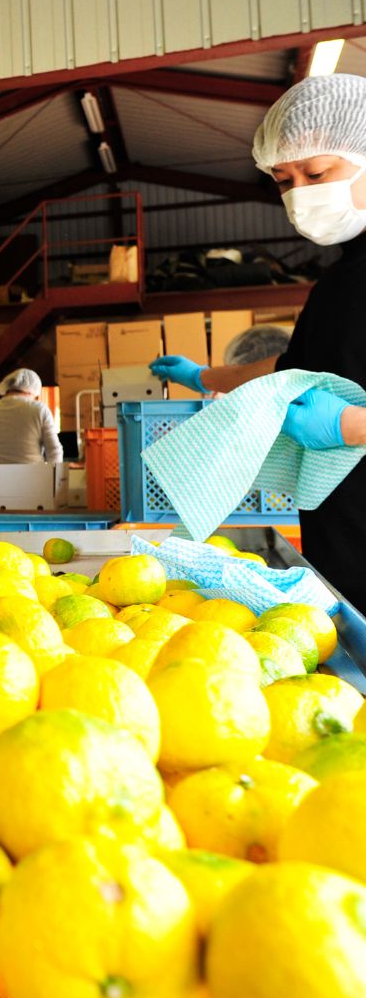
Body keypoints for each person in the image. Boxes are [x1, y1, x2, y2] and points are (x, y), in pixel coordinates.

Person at [149, 73, 366, 609]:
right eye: (283, 180)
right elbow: (296, 367)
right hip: (344, 557)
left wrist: (350, 425)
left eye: (316, 172)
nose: (300, 195)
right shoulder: (344, 276)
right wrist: (205, 377)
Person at [0, 368, 63, 466]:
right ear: (32, 391)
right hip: (33, 477)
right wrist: (54, 478)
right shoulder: (39, 410)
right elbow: (54, 451)